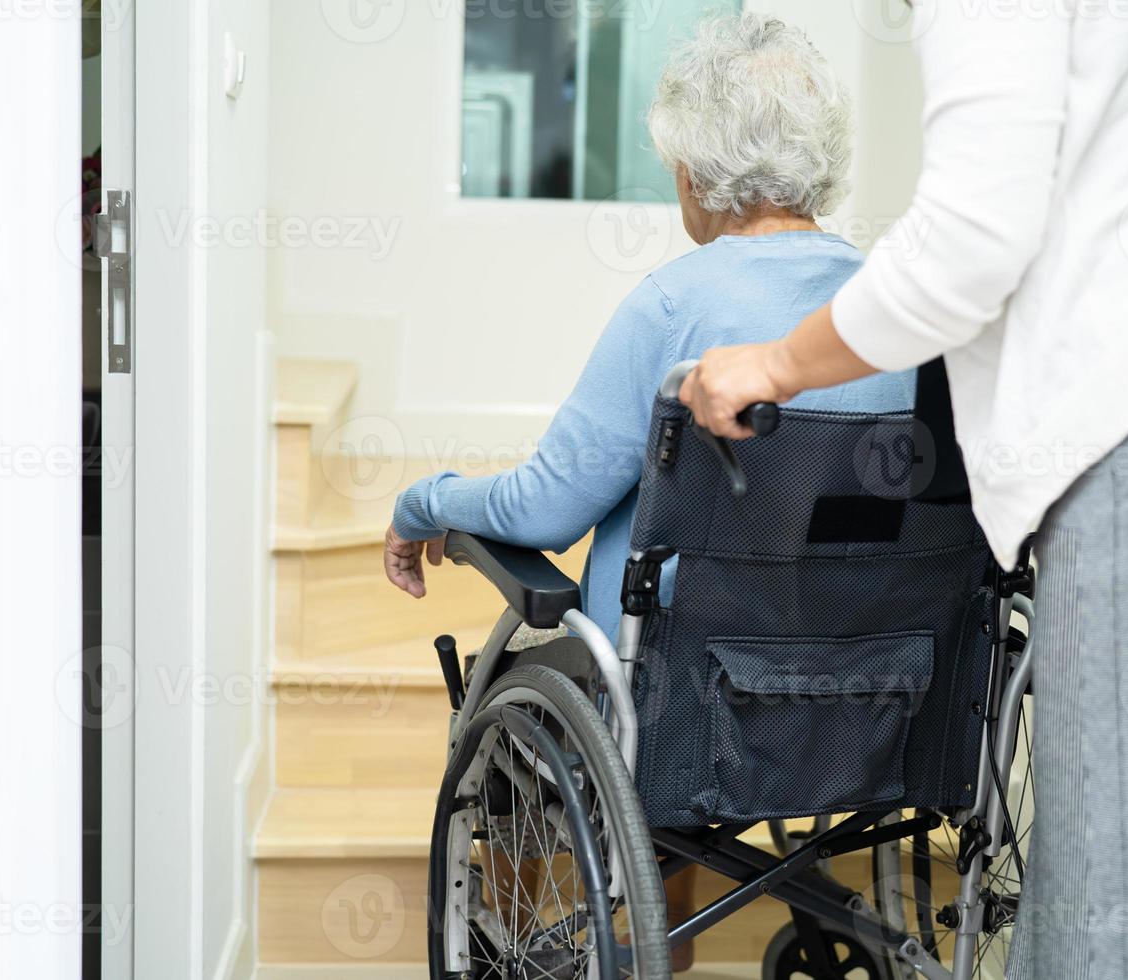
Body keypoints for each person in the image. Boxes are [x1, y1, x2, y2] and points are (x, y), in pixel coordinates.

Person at [677, 1, 1128, 978]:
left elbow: (971, 242)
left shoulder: (681, 303)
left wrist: (776, 365)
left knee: (1121, 910)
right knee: (1125, 867)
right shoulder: (853, 276)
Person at [383, 13, 916, 970]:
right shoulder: (895, 308)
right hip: (879, 686)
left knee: (529, 679)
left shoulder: (676, 303)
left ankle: (578, 937)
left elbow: (546, 508)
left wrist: (427, 500)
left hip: (686, 703)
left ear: (694, 171)